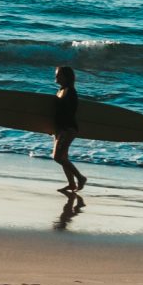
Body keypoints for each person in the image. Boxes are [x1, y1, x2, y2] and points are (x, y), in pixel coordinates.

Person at [50, 63, 86, 195]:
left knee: (57, 157)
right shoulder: (61, 90)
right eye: (56, 74)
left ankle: (80, 178)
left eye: (59, 75)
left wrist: (62, 129)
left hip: (68, 128)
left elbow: (68, 112)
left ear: (66, 77)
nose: (56, 76)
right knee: (63, 156)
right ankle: (71, 183)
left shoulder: (70, 91)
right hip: (60, 129)